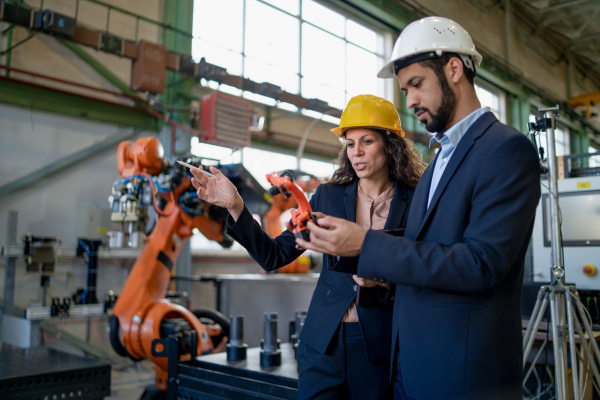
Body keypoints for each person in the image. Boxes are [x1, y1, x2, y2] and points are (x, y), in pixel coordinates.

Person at [297, 17, 542, 400]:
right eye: (405, 89)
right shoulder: (439, 161)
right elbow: (426, 249)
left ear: (454, 69)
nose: (410, 101)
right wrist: (381, 274)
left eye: (416, 84)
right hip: (408, 368)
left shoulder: (505, 150)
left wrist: (367, 245)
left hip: (459, 377)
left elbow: (482, 263)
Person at [189, 94, 425, 399]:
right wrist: (235, 206)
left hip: (380, 345)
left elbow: (424, 266)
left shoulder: (417, 201)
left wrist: (388, 279)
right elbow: (274, 255)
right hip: (322, 342)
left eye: (367, 141)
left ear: (390, 144)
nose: (357, 153)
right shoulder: (327, 196)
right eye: (350, 144)